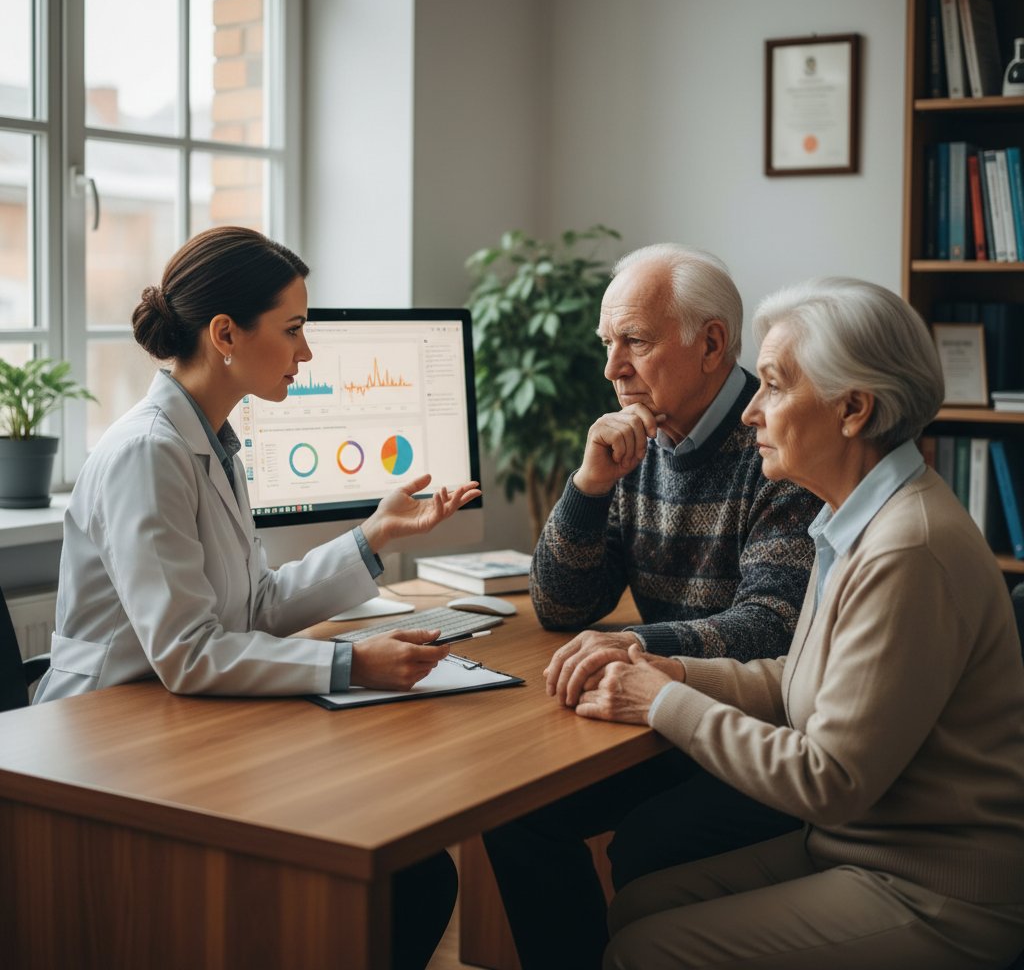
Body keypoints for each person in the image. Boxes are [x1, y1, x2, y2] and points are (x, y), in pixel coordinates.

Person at [33, 226, 478, 969]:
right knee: (408, 879)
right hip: (111, 745)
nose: (307, 353)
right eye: (295, 329)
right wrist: (350, 665)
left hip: (181, 724)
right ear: (224, 334)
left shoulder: (211, 438)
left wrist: (374, 537)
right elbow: (188, 652)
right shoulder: (151, 451)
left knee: (413, 869)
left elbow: (255, 605)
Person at [576, 278, 1024, 970]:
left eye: (776, 386)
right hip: (852, 849)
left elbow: (828, 777)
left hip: (933, 892)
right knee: (635, 904)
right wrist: (677, 670)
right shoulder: (853, 516)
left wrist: (662, 702)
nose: (751, 410)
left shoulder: (909, 547)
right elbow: (802, 678)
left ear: (853, 409)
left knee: (643, 949)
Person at [483, 244, 820, 969]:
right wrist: (588, 485)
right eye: (608, 344)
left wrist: (636, 645)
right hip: (665, 714)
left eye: (634, 341)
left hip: (758, 730)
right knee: (515, 820)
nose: (612, 370)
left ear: (712, 345)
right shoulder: (641, 437)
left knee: (651, 841)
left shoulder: (779, 443)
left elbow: (773, 625)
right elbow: (561, 605)